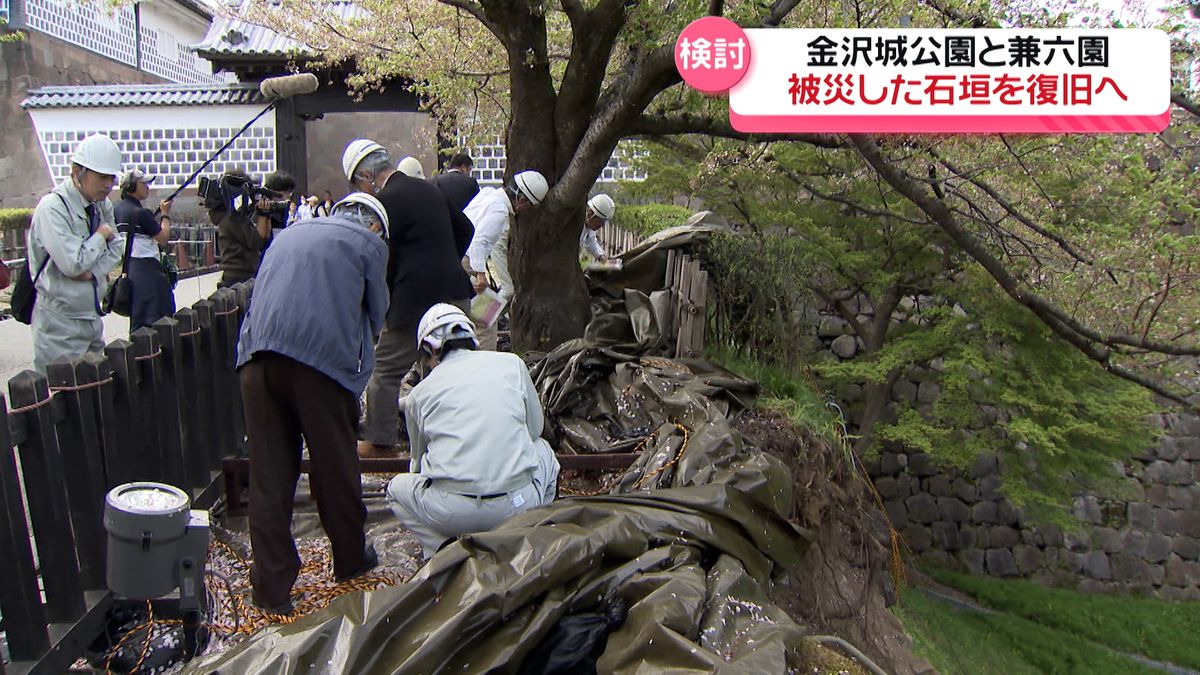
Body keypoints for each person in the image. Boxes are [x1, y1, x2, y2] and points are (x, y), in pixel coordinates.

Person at [236, 192, 391, 614]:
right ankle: (351, 560)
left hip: (256, 359)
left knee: (269, 475)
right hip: (319, 366)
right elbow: (378, 313)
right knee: (334, 465)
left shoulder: (290, 232)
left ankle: (270, 589)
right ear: (375, 225)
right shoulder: (369, 244)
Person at [386, 303, 559, 559]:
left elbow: (418, 464)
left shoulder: (419, 395)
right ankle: (529, 539)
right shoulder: (512, 364)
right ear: (471, 338)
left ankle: (442, 553)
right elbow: (535, 430)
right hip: (517, 504)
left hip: (453, 513)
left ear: (428, 350)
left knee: (396, 490)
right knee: (544, 451)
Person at [342, 139, 476, 458]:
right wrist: (445, 261)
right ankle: (444, 441)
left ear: (365, 176)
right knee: (442, 370)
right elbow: (465, 228)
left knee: (385, 371)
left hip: (413, 302)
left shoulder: (386, 202)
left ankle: (379, 441)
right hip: (456, 294)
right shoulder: (430, 188)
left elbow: (381, 259)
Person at [26, 134, 124, 373]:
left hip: (91, 315)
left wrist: (93, 273)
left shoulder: (102, 205)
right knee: (64, 395)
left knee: (95, 392)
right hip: (59, 321)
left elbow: (117, 247)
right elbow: (73, 263)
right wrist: (101, 235)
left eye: (111, 178)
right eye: (102, 177)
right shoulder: (53, 208)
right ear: (78, 172)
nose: (108, 185)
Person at [462, 170, 549, 350]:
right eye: (529, 205)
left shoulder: (487, 193)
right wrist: (480, 274)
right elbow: (479, 241)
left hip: (457, 258)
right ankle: (483, 368)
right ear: (522, 199)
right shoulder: (500, 211)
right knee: (486, 321)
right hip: (467, 264)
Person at [113, 169, 174, 332]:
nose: (147, 187)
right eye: (144, 183)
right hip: (148, 271)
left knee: (139, 321)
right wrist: (165, 215)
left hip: (130, 268)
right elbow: (163, 237)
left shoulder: (118, 209)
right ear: (131, 186)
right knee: (158, 318)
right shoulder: (139, 213)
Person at [209, 169, 271, 288]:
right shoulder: (232, 219)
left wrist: (266, 215)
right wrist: (263, 214)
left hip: (238, 276)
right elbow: (257, 241)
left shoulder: (229, 217)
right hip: (239, 278)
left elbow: (264, 240)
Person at [580, 193, 615, 261]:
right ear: (591, 214)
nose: (602, 225)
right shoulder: (574, 225)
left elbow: (590, 241)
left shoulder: (589, 226)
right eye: (601, 221)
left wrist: (600, 255)